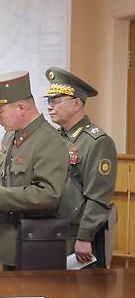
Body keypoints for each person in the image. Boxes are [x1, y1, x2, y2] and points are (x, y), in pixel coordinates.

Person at [0, 71, 68, 270]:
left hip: (35, 241)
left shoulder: (49, 141)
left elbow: (48, 194)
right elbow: (3, 175)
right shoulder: (12, 135)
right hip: (9, 241)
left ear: (21, 108)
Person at [44, 67, 117, 267]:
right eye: (48, 101)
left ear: (76, 103)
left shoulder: (97, 141)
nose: (50, 107)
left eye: (56, 101)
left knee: (79, 295)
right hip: (51, 228)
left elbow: (99, 194)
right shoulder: (54, 138)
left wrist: (85, 237)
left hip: (77, 234)